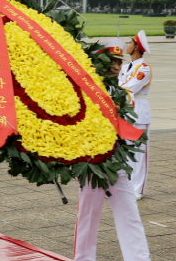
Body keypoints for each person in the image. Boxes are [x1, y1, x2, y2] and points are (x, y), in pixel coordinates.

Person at [74, 38, 150, 261]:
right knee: (87, 217)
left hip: (116, 162)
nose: (117, 66)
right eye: (111, 60)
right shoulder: (83, 91)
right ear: (98, 61)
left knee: (130, 214)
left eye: (119, 61)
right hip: (91, 165)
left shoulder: (123, 93)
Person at [119, 30, 152, 200]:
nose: (127, 45)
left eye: (130, 43)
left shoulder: (144, 69)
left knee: (139, 154)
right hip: (125, 112)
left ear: (137, 47)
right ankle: (126, 186)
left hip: (139, 112)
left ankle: (138, 189)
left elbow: (128, 88)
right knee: (125, 152)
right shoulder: (125, 67)